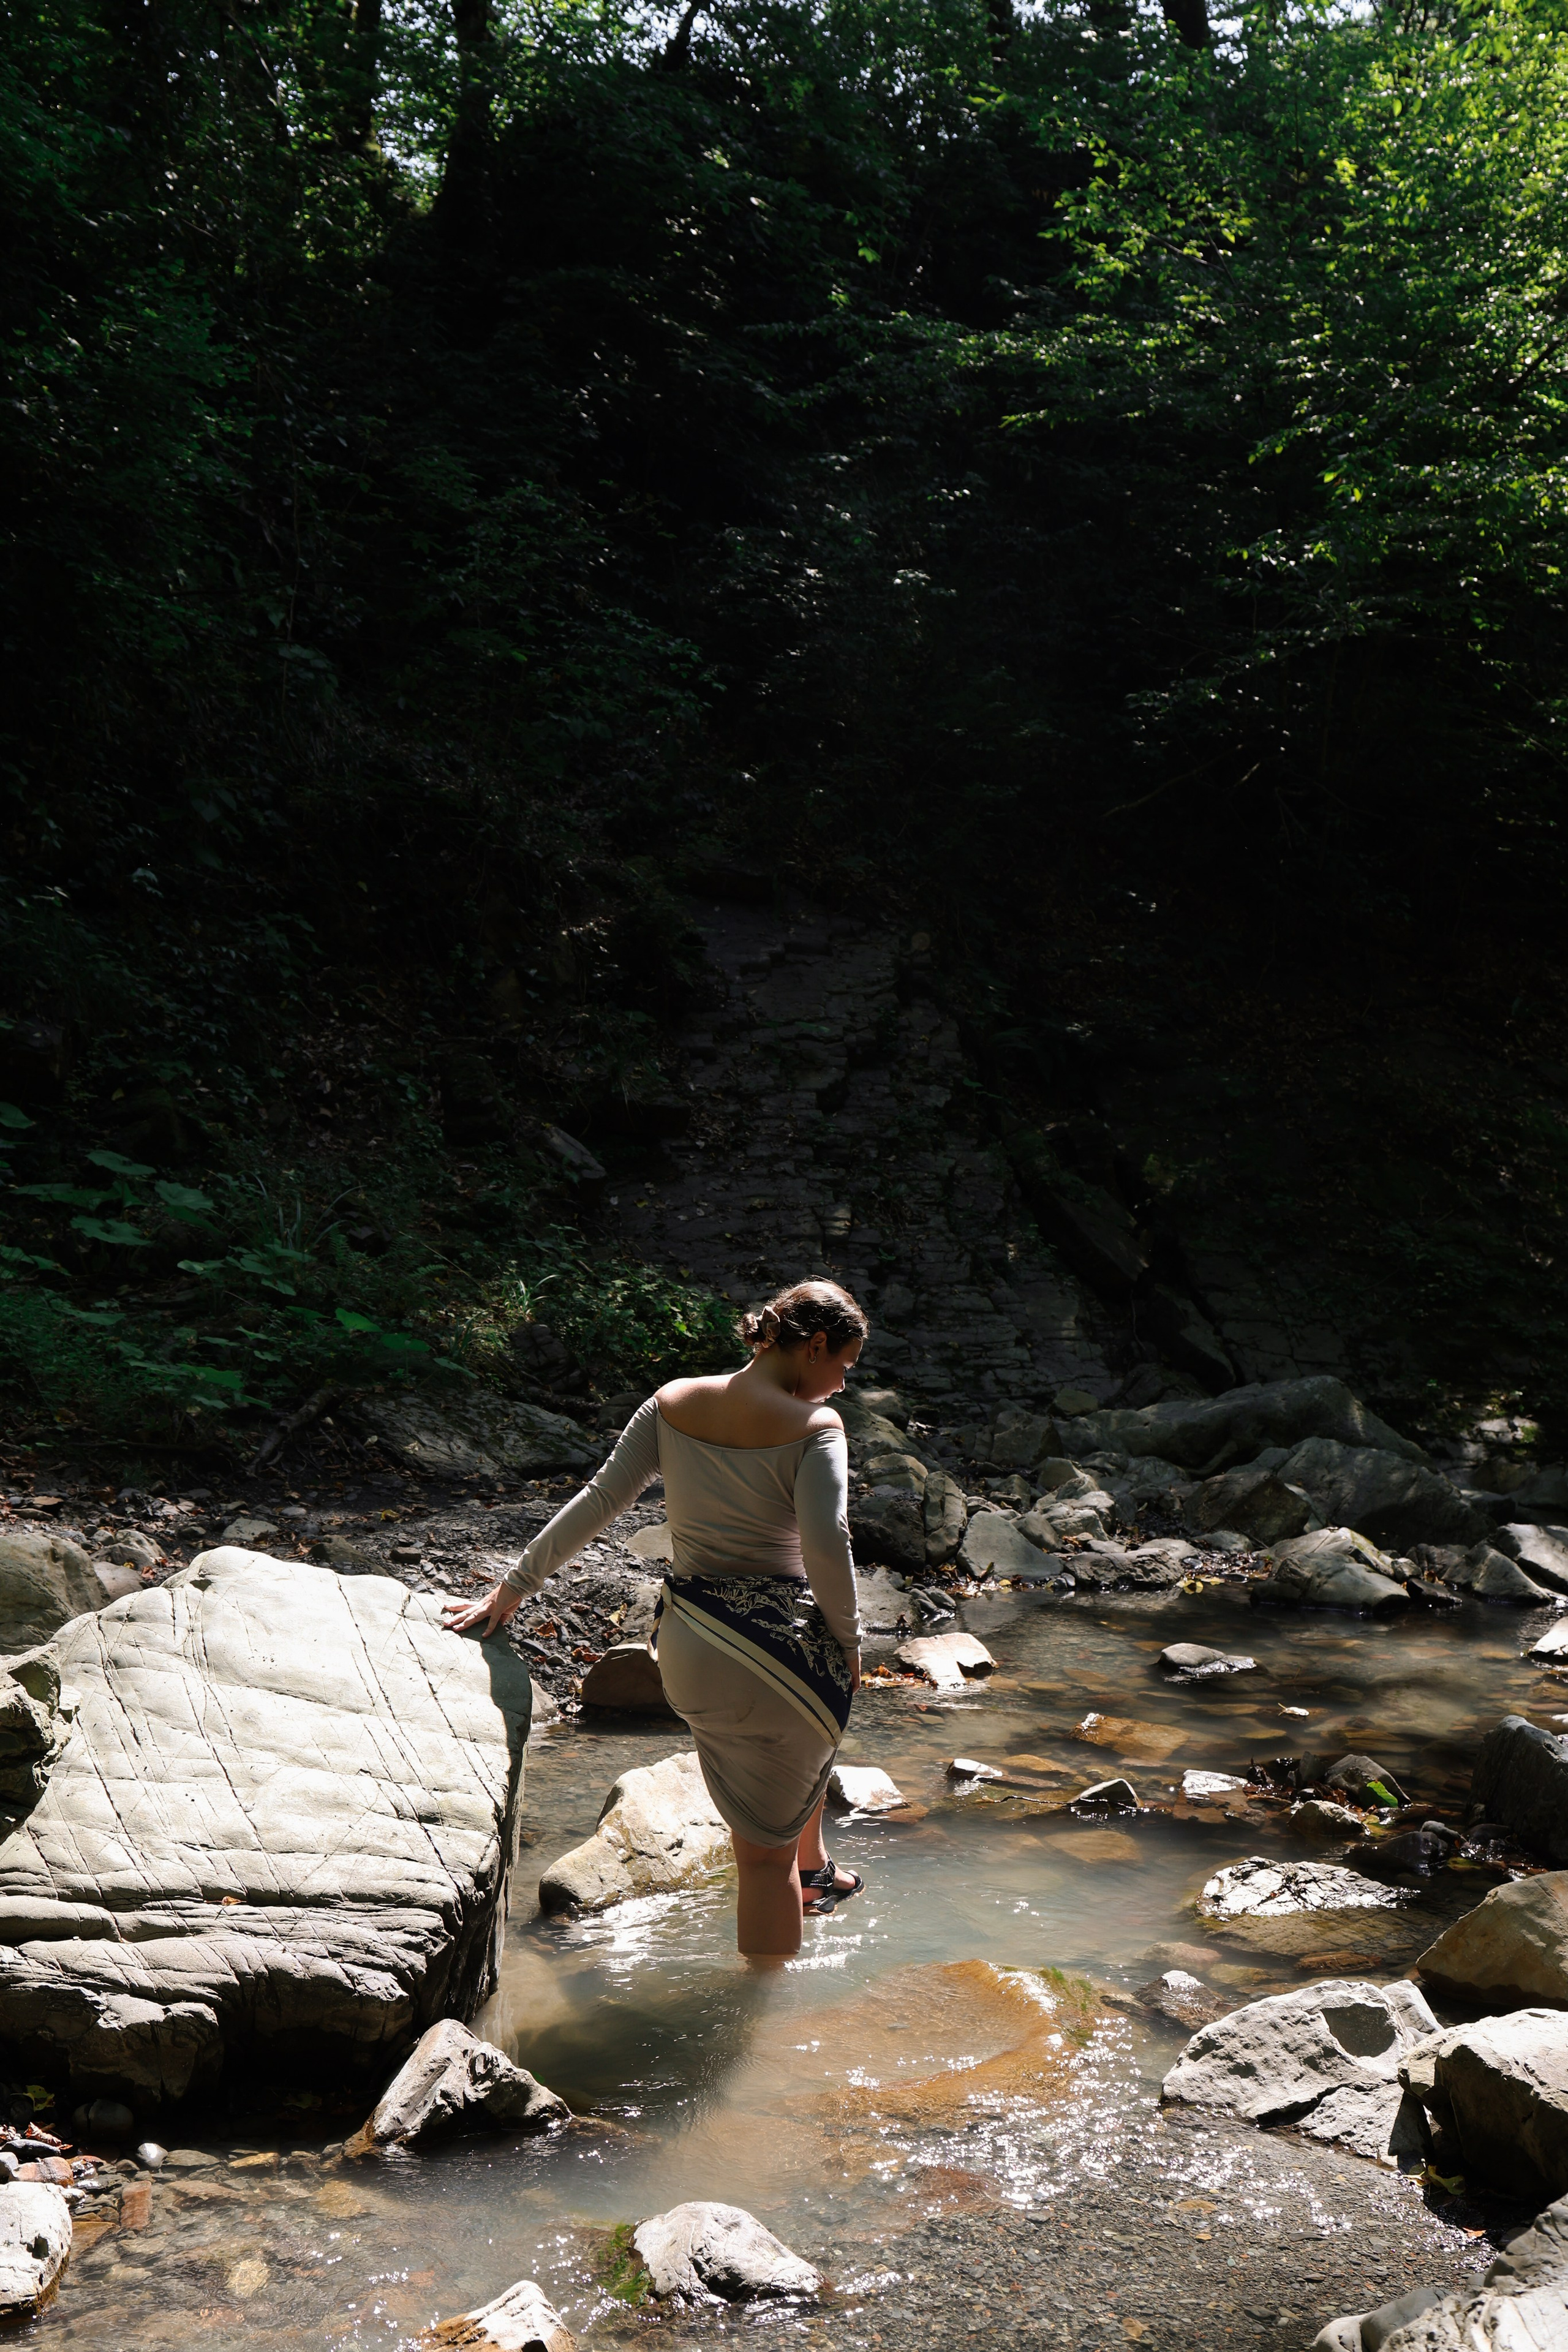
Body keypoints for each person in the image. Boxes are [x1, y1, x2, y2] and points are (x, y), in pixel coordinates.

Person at [442, 1278, 869, 1960]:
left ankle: (814, 1872)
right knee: (765, 1861)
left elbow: (600, 1500)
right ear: (814, 1345)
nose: (843, 1384)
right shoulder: (817, 1428)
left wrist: (512, 1590)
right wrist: (848, 1641)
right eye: (843, 1365)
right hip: (782, 1655)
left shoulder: (671, 1402)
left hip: (690, 1647)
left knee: (777, 1775)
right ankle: (769, 2018)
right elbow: (827, 1543)